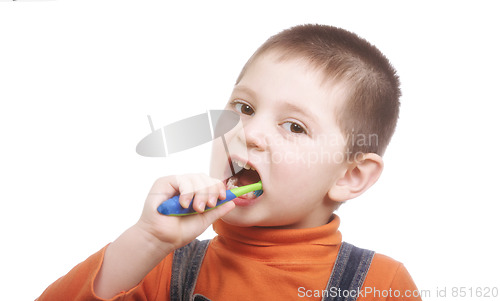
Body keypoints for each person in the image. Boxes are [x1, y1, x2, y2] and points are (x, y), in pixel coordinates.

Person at [37, 24, 421, 300]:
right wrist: (148, 239)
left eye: (294, 126)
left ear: (350, 176)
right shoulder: (163, 269)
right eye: (245, 107)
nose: (249, 133)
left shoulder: (381, 284)